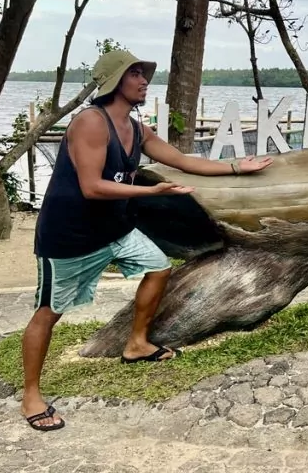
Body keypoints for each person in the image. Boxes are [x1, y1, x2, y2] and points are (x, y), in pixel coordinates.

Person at [21, 49, 273, 432]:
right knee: (49, 313)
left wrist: (238, 166)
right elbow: (92, 187)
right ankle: (31, 395)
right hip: (70, 236)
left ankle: (136, 343)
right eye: (135, 74)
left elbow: (181, 159)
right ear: (114, 82)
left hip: (115, 230)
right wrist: (153, 194)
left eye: (143, 73)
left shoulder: (136, 129)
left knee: (157, 267)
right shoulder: (91, 123)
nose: (144, 80)